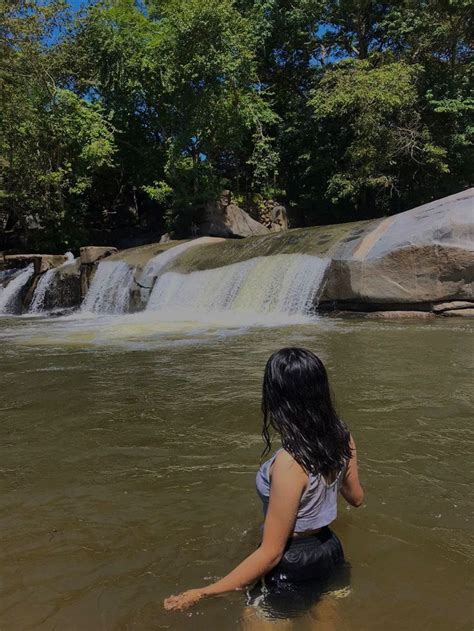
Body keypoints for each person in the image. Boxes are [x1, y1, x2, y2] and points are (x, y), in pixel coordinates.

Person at [164, 347, 364, 616]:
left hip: (292, 562)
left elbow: (271, 553)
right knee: (325, 616)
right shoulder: (342, 436)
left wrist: (204, 591)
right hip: (330, 550)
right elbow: (356, 498)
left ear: (277, 398)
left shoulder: (289, 463)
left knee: (254, 614)